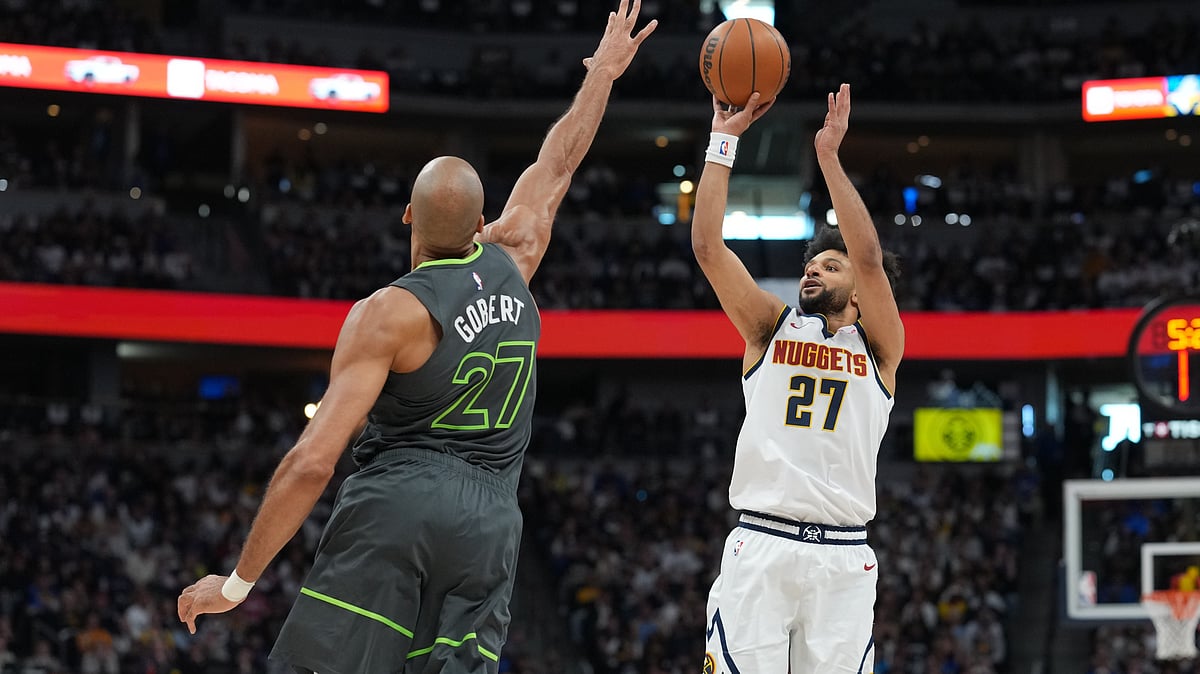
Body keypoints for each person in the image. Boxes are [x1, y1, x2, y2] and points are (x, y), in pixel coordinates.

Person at [176, 3, 657, 672]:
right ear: (483, 218)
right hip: (492, 523)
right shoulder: (517, 258)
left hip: (398, 504)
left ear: (408, 215)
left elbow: (313, 461)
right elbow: (561, 159)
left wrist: (236, 584)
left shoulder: (386, 313)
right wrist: (603, 73)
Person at [692, 84, 904, 673]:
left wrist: (830, 160)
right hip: (761, 541)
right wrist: (723, 143)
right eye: (810, 265)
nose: (813, 271)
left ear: (859, 292)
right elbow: (708, 247)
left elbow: (866, 255)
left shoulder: (881, 349)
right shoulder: (769, 329)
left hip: (844, 556)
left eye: (828, 266)